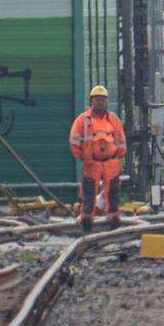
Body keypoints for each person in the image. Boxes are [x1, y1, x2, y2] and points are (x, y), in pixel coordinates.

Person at [69, 85, 126, 231]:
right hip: (92, 162)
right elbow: (74, 140)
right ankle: (87, 220)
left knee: (112, 192)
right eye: (97, 100)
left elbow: (121, 139)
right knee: (88, 192)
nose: (99, 102)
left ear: (106, 101)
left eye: (102, 100)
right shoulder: (83, 120)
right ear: (91, 101)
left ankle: (113, 219)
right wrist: (81, 156)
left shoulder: (114, 120)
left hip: (111, 162)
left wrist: (119, 154)